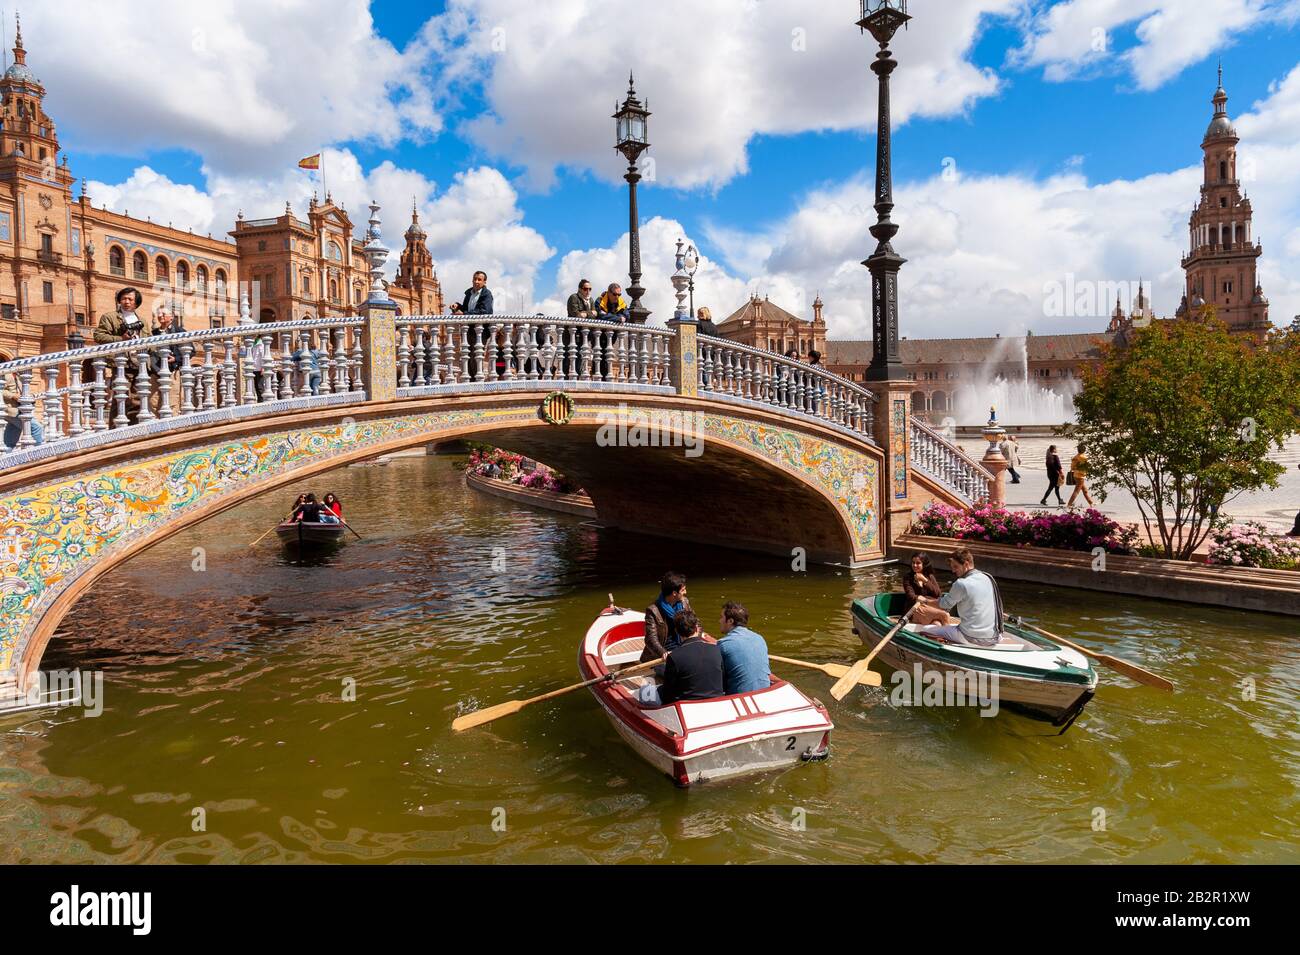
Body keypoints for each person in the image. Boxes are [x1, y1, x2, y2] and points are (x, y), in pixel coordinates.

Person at [914, 547, 1002, 647]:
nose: (953, 571)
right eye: (952, 567)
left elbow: (944, 605)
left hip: (969, 637)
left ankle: (932, 658)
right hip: (994, 636)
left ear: (966, 564)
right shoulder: (988, 578)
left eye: (955, 567)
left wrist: (925, 601)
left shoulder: (961, 583)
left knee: (925, 629)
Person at [635, 610, 724, 707]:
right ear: (697, 629)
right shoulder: (716, 649)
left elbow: (667, 695)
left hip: (684, 706)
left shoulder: (674, 657)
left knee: (644, 691)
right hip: (715, 700)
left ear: (677, 631)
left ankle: (648, 681)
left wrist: (658, 689)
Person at [716, 601, 770, 695]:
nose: (719, 621)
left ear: (730, 621)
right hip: (764, 694)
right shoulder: (759, 638)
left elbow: (717, 679)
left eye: (721, 617)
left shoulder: (723, 644)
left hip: (739, 697)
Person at [640, 571, 691, 664]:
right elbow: (651, 639)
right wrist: (663, 653)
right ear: (674, 593)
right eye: (683, 590)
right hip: (662, 653)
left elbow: (696, 623)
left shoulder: (685, 603)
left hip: (682, 646)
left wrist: (694, 641)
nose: (686, 592)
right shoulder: (653, 610)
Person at [902, 553, 949, 626]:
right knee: (944, 615)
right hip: (914, 608)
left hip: (928, 607)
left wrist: (924, 580)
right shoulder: (908, 578)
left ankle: (936, 636)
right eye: (913, 563)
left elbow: (938, 594)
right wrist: (922, 598)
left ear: (924, 564)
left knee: (937, 624)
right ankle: (949, 635)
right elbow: (911, 596)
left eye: (918, 563)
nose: (914, 565)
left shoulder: (929, 576)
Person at [2, 371, 44, 450]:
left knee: (11, 438)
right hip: (11, 410)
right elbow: (1, 390)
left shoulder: (17, 377)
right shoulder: (7, 376)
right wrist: (13, 396)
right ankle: (38, 451)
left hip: (16, 410)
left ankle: (5, 456)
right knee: (36, 428)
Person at [1067, 443, 1094, 508]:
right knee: (1076, 491)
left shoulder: (1075, 457)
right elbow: (1090, 465)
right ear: (1084, 450)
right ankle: (1069, 504)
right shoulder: (1083, 457)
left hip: (1075, 475)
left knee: (1085, 490)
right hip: (1080, 476)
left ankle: (1091, 503)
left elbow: (1072, 467)